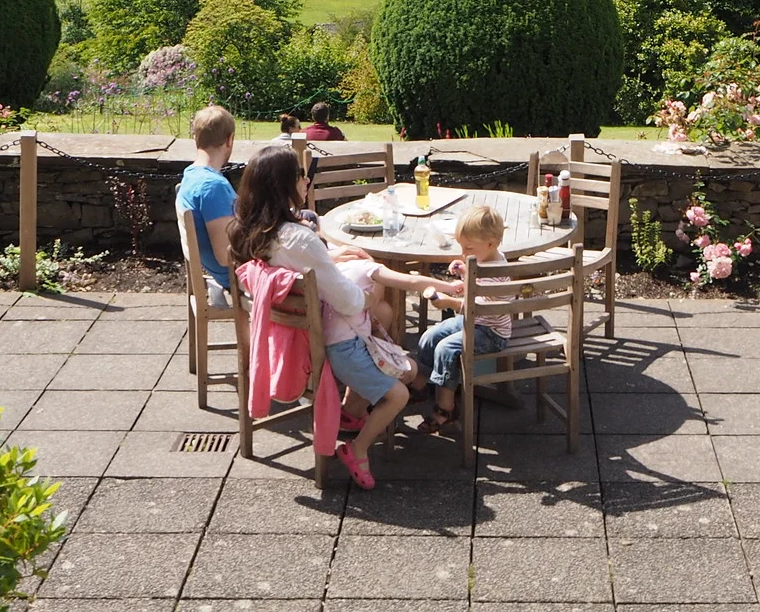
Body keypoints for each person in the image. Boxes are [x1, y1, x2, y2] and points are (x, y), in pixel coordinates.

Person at [229, 146, 410, 488]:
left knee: (377, 314)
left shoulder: (249, 231)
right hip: (315, 342)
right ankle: (366, 425)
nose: (306, 180)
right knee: (383, 313)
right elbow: (348, 301)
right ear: (284, 185)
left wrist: (331, 257)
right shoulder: (299, 237)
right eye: (300, 175)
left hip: (278, 331)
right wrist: (373, 293)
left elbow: (301, 265)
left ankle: (355, 406)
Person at [413, 207, 512, 432]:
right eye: (462, 247)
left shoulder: (496, 273)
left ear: (492, 244)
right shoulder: (484, 259)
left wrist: (452, 303)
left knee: (446, 348)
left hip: (492, 333)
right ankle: (420, 386)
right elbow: (475, 283)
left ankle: (446, 408)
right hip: (474, 322)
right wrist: (465, 271)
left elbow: (483, 309)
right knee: (430, 337)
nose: (464, 252)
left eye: (468, 248)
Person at [177, 106, 238, 308]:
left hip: (219, 272)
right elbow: (225, 255)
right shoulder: (213, 187)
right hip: (237, 279)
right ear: (229, 140)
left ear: (197, 138)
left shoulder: (190, 175)